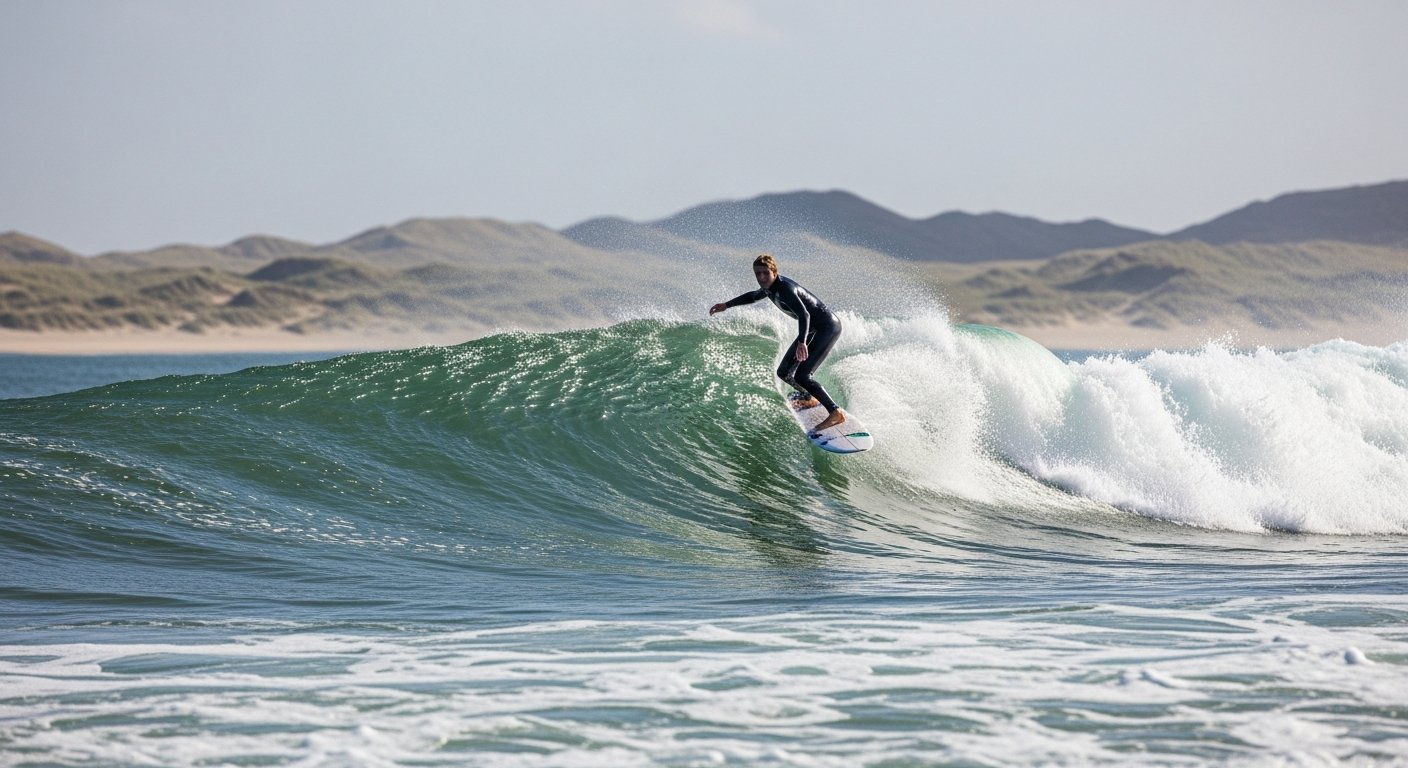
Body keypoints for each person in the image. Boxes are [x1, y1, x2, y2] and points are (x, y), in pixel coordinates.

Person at [709, 254, 847, 435]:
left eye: (765, 273)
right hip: (814, 328)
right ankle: (808, 397)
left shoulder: (785, 289)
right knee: (784, 372)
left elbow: (804, 315)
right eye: (757, 274)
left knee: (804, 375)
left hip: (827, 327)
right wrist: (726, 305)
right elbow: (753, 296)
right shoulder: (768, 288)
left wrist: (802, 342)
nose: (761, 278)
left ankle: (835, 412)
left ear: (774, 272)